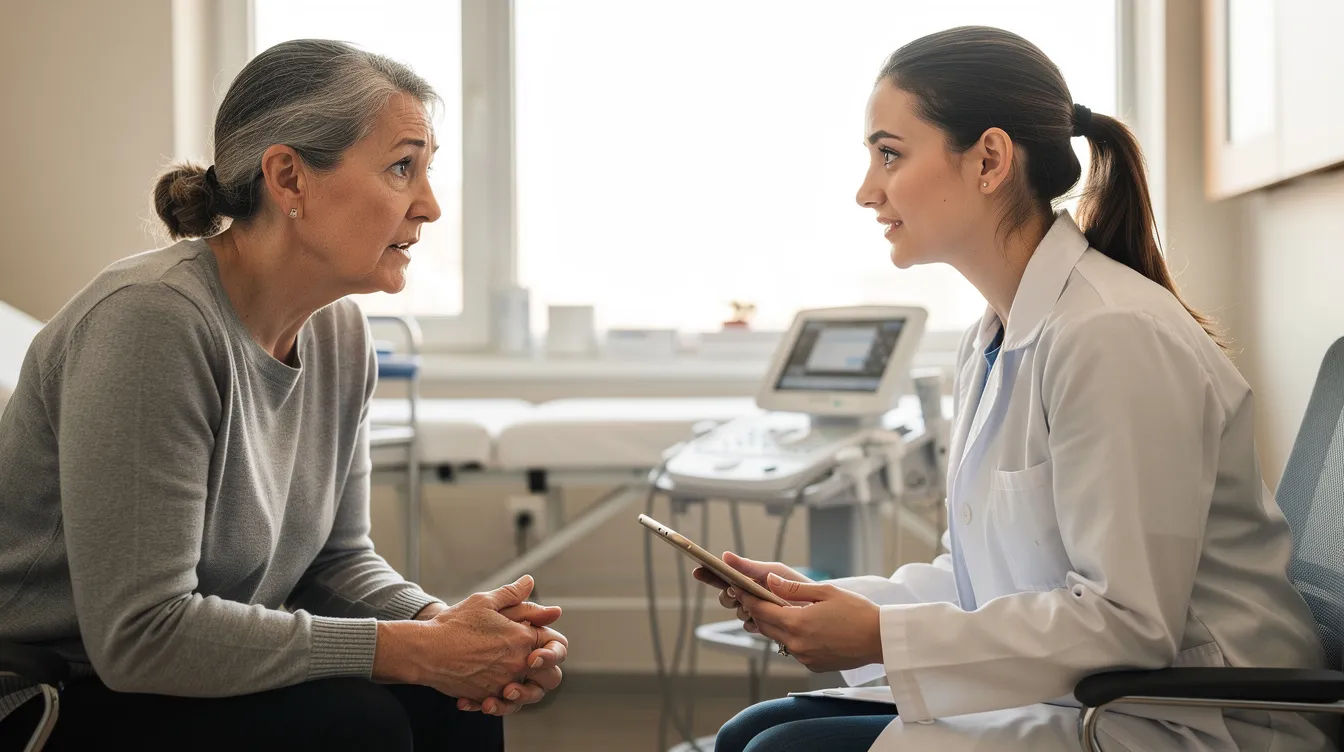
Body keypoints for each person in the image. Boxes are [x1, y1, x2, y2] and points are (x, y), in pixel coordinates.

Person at [694, 26, 1331, 752]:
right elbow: (983, 578)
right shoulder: (997, 334)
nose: (867, 190)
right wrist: (838, 607)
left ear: (990, 159)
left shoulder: (1111, 334)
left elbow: (1126, 622)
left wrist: (878, 636)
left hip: (1192, 715)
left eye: (890, 154)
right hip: (1086, 695)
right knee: (757, 729)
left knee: (778, 749)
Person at [0, 39, 566, 751]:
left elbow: (336, 563)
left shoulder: (343, 334)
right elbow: (141, 635)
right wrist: (412, 650)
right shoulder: (151, 322)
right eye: (401, 167)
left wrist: (451, 634)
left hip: (161, 679)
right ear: (289, 178)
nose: (429, 207)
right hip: (45, 694)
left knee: (448, 703)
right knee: (359, 723)